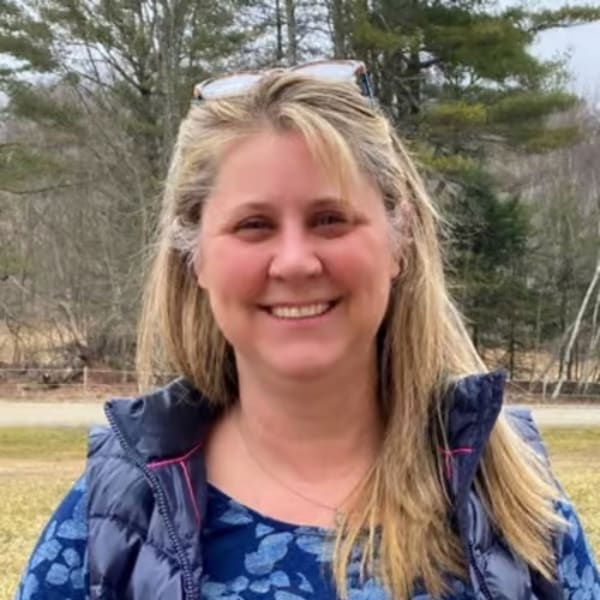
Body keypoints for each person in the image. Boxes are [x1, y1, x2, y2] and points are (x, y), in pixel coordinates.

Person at [15, 60, 599, 600]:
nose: (295, 262)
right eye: (253, 225)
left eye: (330, 219)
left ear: (400, 240)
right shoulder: (114, 525)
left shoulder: (510, 502)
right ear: (195, 258)